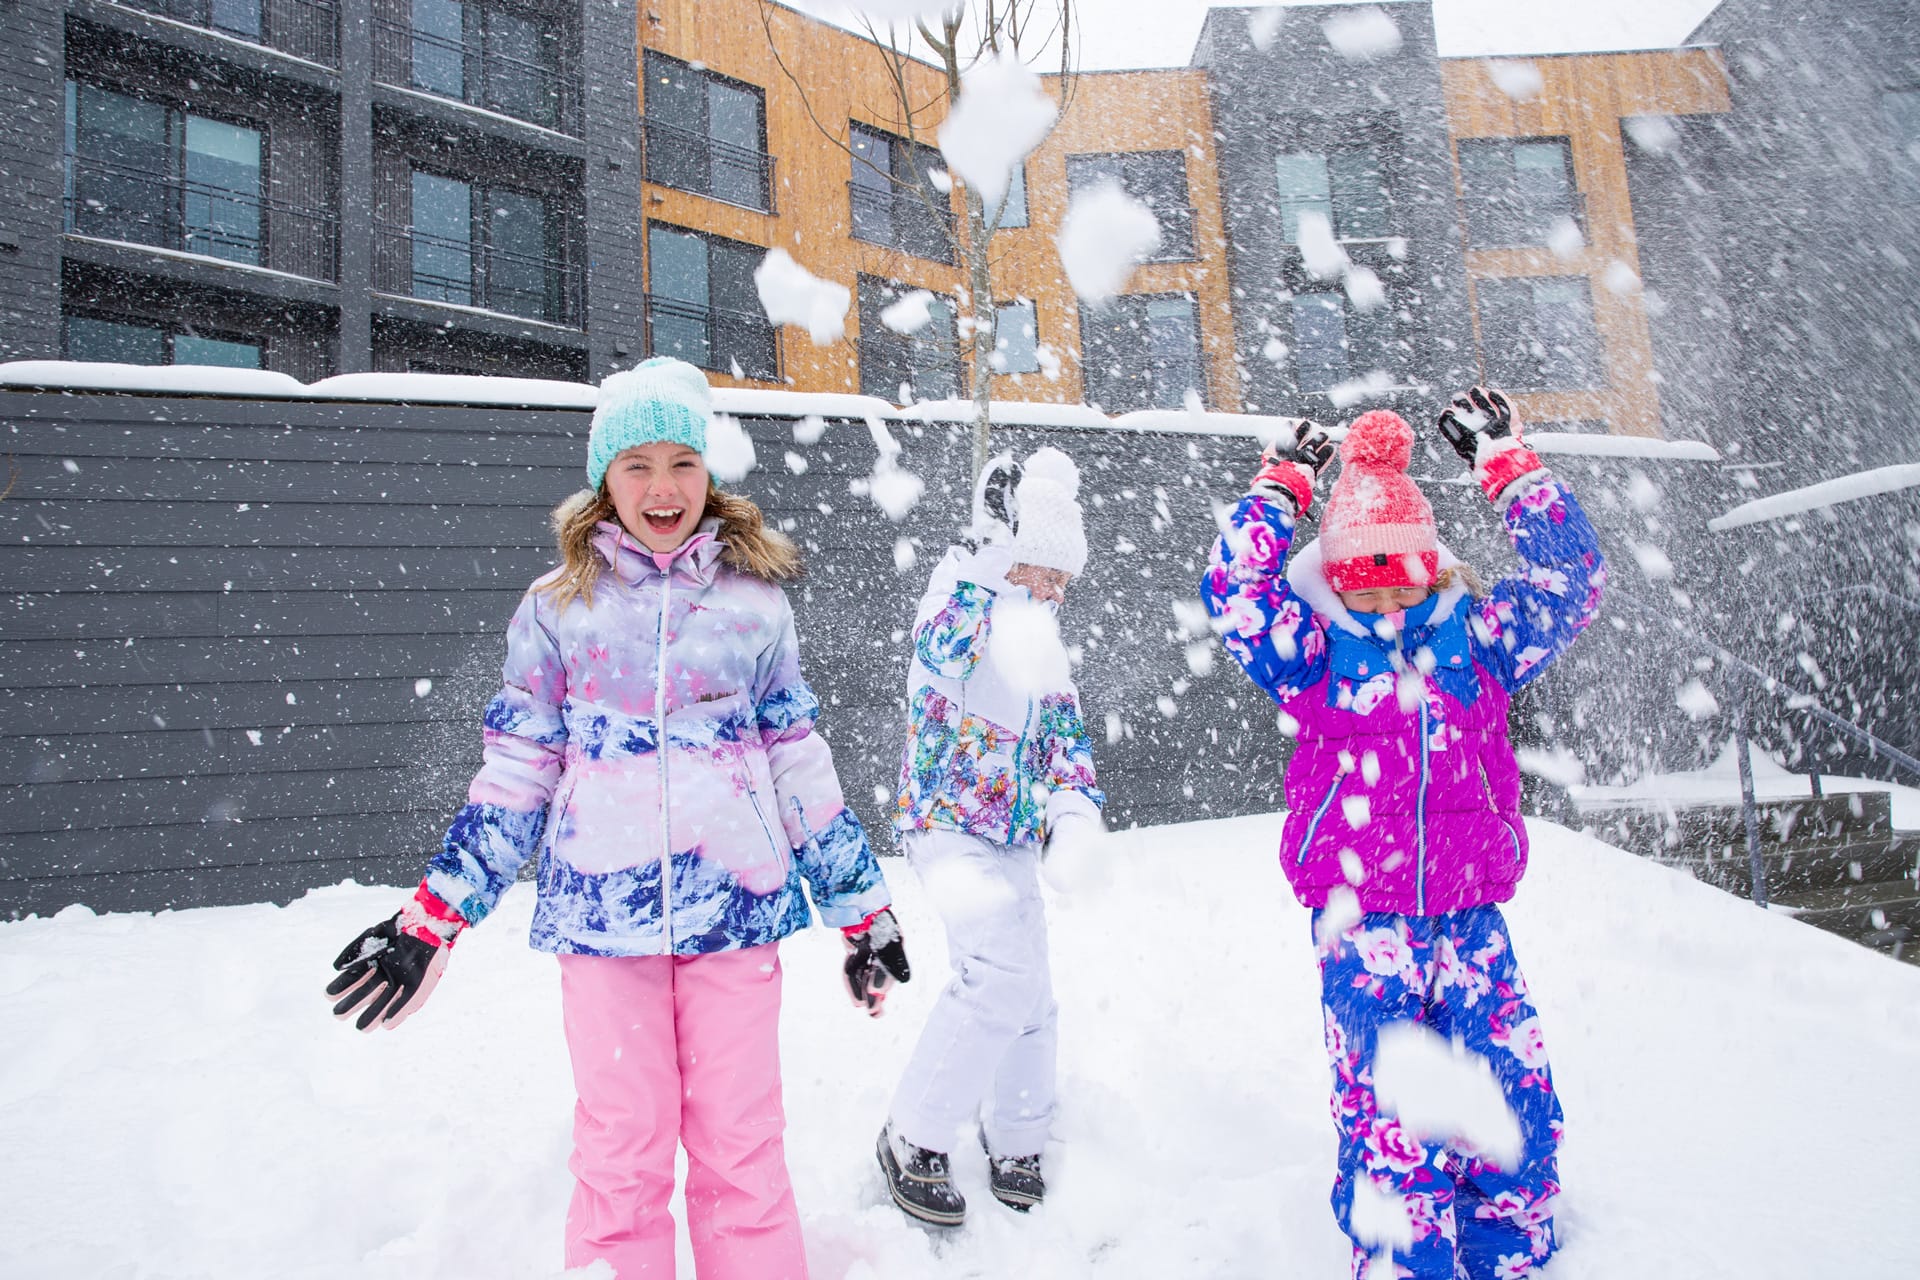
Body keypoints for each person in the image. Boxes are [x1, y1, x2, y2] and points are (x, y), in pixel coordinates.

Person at [324, 356, 910, 1280]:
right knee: (620, 1161)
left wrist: (862, 910)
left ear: (709, 474)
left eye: (682, 460)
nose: (662, 486)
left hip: (734, 917)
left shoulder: (757, 605)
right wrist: (429, 921)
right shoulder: (559, 611)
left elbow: (799, 761)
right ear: (604, 479)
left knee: (743, 1156)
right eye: (636, 463)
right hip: (604, 927)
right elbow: (517, 773)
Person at [1199, 388, 1605, 1280]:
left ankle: (1509, 1254)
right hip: (1362, 922)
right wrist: (1281, 489)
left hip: (1470, 918)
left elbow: (1573, 582)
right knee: (1390, 1118)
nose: (1380, 590)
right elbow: (1232, 591)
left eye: (1396, 567)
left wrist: (1508, 469)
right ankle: (1406, 1261)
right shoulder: (1314, 658)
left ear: (1430, 562)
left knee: (1509, 1094)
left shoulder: (1483, 642)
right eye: (1357, 574)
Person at [877, 446, 1105, 1226]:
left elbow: (1065, 740)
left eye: (1064, 578)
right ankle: (914, 1136)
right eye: (1046, 570)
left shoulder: (1040, 637)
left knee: (1031, 994)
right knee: (997, 977)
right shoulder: (957, 599)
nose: (1056, 590)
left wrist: (1073, 814)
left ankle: (1017, 1133)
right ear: (1011, 553)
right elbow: (940, 652)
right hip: (946, 822)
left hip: (1010, 833)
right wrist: (988, 561)